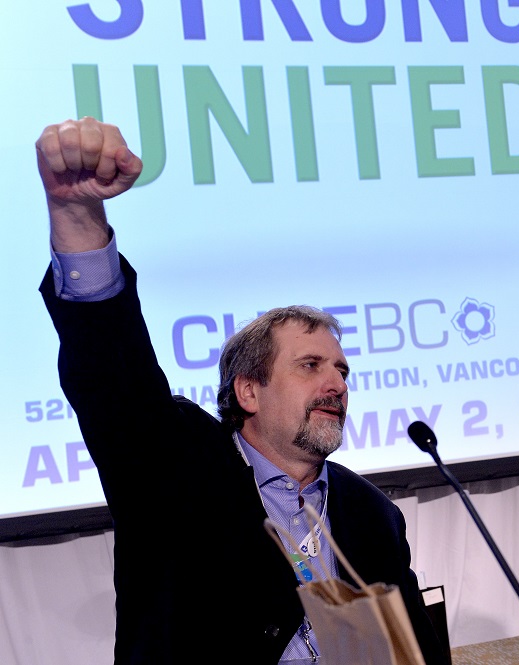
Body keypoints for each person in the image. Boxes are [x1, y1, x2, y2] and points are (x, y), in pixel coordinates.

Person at [35, 117, 447, 664]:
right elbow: (112, 375)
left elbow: (410, 653)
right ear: (248, 391)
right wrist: (76, 215)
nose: (335, 383)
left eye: (342, 371)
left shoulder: (371, 514)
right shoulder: (177, 470)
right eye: (310, 365)